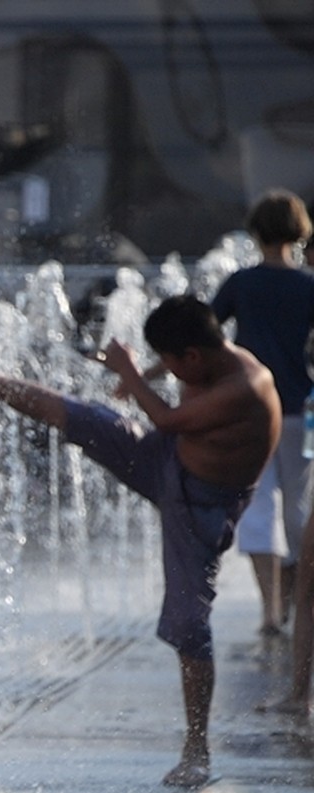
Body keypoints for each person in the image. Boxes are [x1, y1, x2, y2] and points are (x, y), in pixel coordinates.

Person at [0, 293, 280, 788]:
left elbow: (165, 419)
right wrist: (139, 374)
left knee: (189, 623)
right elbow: (167, 415)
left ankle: (197, 747)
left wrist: (132, 374)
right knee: (75, 414)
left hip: (202, 507)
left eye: (172, 364)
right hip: (165, 458)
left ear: (195, 357)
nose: (169, 371)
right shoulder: (201, 364)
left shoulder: (248, 384)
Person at [210, 189, 314, 634]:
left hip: (249, 413)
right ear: (299, 231)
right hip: (299, 410)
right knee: (298, 509)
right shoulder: (309, 284)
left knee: (255, 509)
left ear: (255, 232)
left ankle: (271, 609)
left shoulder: (241, 283)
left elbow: (204, 333)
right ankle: (299, 602)